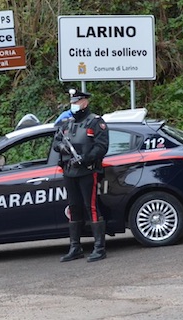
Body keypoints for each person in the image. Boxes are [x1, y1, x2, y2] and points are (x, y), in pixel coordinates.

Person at [53, 89, 109, 262]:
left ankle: (99, 248)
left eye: (77, 102)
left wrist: (84, 159)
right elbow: (56, 141)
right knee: (74, 207)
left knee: (90, 207)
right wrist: (61, 148)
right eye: (72, 102)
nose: (74, 105)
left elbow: (101, 146)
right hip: (69, 171)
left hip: (87, 171)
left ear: (85, 102)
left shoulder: (95, 122)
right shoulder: (67, 122)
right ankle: (75, 248)